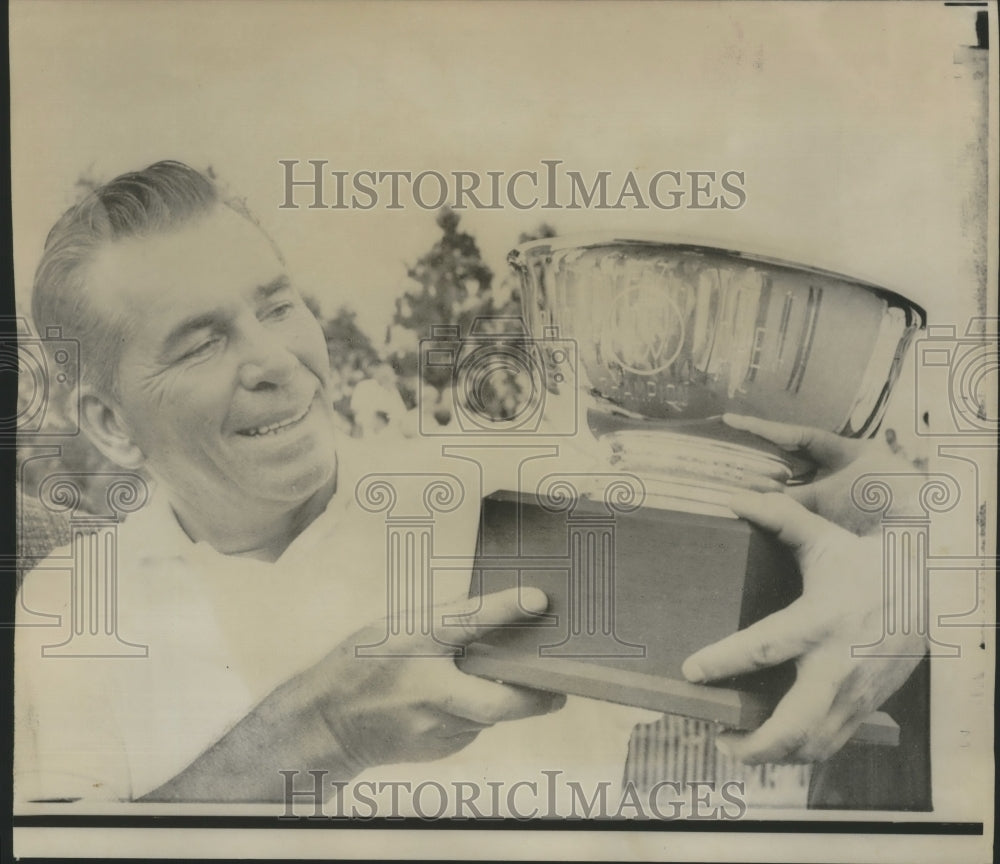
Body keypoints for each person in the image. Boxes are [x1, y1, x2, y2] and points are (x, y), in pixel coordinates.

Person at [15, 161, 928, 810]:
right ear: (107, 425)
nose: (277, 363)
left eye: (276, 305)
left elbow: (873, 506)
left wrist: (899, 595)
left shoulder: (513, 495)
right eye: (203, 341)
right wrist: (321, 732)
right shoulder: (72, 604)